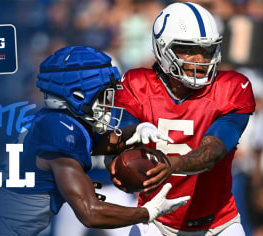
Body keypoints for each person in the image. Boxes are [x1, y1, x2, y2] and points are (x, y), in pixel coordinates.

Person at [0, 46, 190, 236]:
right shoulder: (60, 131)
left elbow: (104, 142)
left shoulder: (60, 121)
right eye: (103, 95)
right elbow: (90, 213)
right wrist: (147, 212)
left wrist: (136, 130)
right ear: (77, 95)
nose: (109, 104)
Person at [109, 2, 256, 235]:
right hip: (155, 221)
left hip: (219, 225)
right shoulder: (137, 84)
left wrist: (172, 164)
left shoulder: (233, 87)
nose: (200, 58)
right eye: (188, 49)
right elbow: (118, 142)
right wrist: (120, 154)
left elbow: (213, 151)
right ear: (162, 48)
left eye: (207, 50)